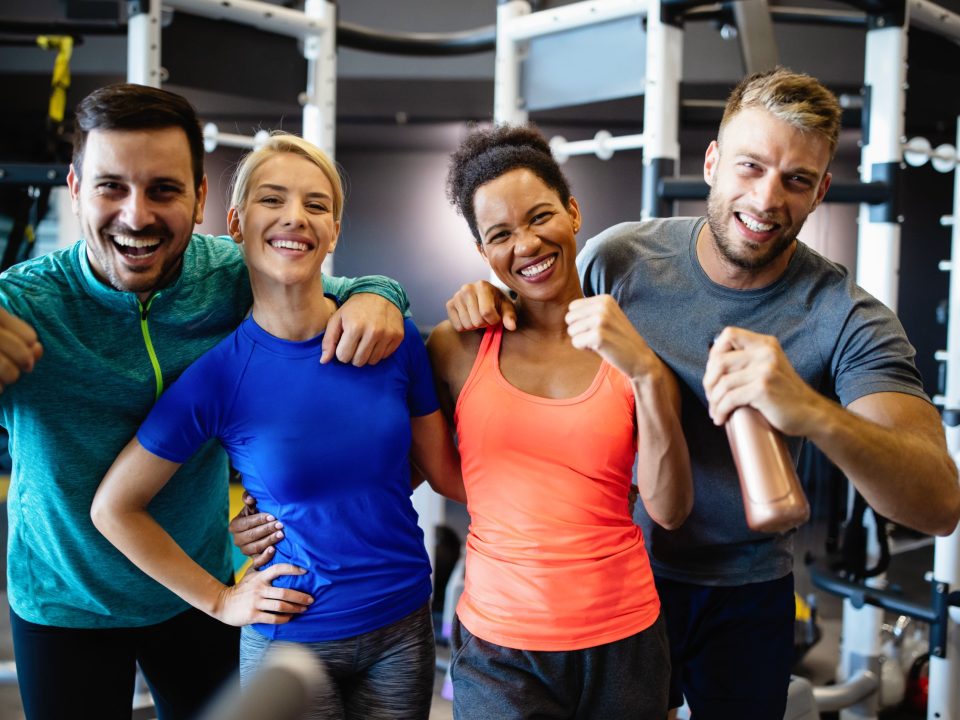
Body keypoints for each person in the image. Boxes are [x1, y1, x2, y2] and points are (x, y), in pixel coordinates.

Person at [444, 67, 960, 718]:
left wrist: (812, 413)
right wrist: (486, 300)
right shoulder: (620, 261)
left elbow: (938, 504)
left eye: (796, 180)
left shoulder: (848, 317)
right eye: (750, 167)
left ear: (821, 189)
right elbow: (538, 307)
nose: (768, 198)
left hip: (747, 592)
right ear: (713, 162)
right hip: (622, 583)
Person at [0, 84, 411, 720]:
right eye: (111, 186)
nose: (136, 216)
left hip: (197, 589)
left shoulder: (229, 273)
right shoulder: (23, 305)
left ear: (200, 202)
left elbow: (338, 285)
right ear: (75, 188)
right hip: (67, 601)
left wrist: (381, 295)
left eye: (163, 189)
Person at [93, 132, 466, 720]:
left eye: (316, 205)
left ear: (334, 230)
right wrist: (220, 601)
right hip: (291, 637)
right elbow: (115, 507)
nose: (296, 217)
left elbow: (438, 470)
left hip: (402, 623)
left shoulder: (391, 342)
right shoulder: (218, 378)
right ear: (237, 223)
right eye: (273, 199)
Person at [429, 125, 691, 719]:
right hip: (498, 646)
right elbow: (425, 467)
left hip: (624, 639)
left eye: (539, 216)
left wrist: (647, 374)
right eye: (500, 235)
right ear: (483, 252)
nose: (525, 244)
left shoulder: (633, 346)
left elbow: (669, 509)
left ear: (573, 213)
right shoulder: (458, 346)